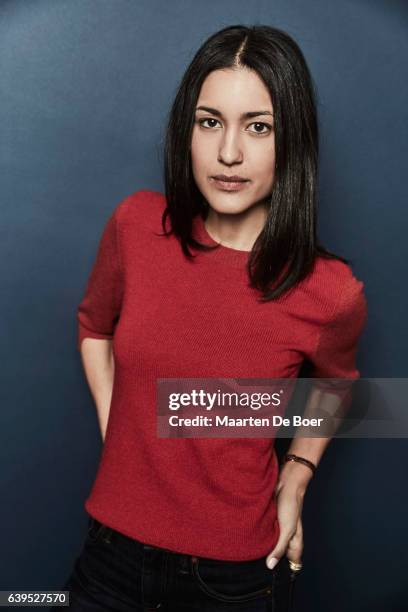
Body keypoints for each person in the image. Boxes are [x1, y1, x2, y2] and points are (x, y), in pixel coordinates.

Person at [57, 24, 368, 611]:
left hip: (236, 579)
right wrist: (119, 424)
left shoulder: (329, 291)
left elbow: (339, 383)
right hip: (109, 561)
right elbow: (94, 327)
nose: (229, 153)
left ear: (292, 140)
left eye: (259, 127)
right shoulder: (136, 227)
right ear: (187, 132)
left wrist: (298, 472)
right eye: (209, 122)